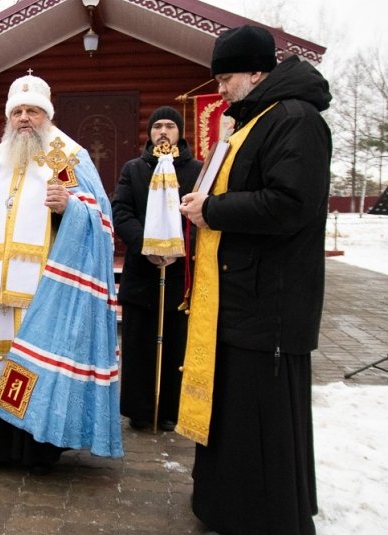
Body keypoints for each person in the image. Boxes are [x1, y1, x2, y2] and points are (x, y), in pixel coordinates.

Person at [177, 25, 331, 535]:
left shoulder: (294, 119)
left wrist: (212, 209)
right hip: (237, 297)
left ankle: (266, 518)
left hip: (270, 305)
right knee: (236, 417)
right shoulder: (256, 121)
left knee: (262, 421)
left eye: (225, 78)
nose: (219, 90)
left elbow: (291, 205)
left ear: (257, 73)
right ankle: (227, 506)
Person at [0, 74, 122, 475]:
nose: (24, 118)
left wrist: (68, 209)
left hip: (44, 289)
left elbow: (100, 220)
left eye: (33, 111)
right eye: (18, 111)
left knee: (33, 365)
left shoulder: (64, 156)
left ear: (46, 115)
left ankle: (35, 450)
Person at [111, 106, 202, 431]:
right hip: (142, 272)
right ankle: (140, 408)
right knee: (140, 343)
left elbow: (201, 217)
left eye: (170, 126)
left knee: (176, 341)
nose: (163, 131)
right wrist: (147, 245)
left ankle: (171, 409)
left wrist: (178, 250)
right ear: (149, 133)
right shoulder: (134, 169)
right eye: (158, 126)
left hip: (180, 273)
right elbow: (121, 211)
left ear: (180, 132)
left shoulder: (197, 170)